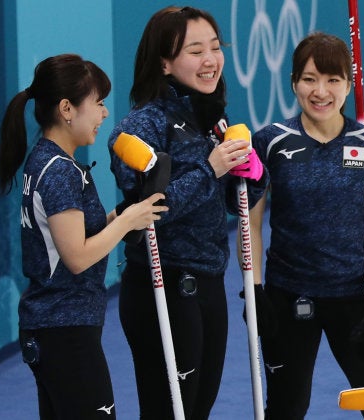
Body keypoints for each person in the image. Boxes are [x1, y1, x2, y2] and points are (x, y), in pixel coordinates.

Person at [107, 6, 267, 419]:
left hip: (211, 279)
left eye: (215, 47)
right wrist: (211, 168)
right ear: (164, 62)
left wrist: (254, 176)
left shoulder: (212, 117)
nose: (210, 60)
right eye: (195, 51)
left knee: (198, 408)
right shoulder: (139, 127)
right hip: (163, 283)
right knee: (168, 411)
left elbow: (235, 202)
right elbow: (146, 213)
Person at [0, 54, 167, 419]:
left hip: (58, 327)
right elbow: (76, 256)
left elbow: (74, 234)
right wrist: (124, 224)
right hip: (64, 331)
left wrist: (123, 215)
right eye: (99, 103)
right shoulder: (58, 170)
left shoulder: (51, 162)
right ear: (67, 108)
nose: (104, 114)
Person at [248, 32, 364, 420]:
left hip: (358, 300)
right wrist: (253, 291)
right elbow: (249, 225)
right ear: (293, 83)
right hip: (287, 298)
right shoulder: (270, 142)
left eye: (333, 80)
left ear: (349, 85)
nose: (321, 91)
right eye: (309, 79)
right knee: (286, 408)